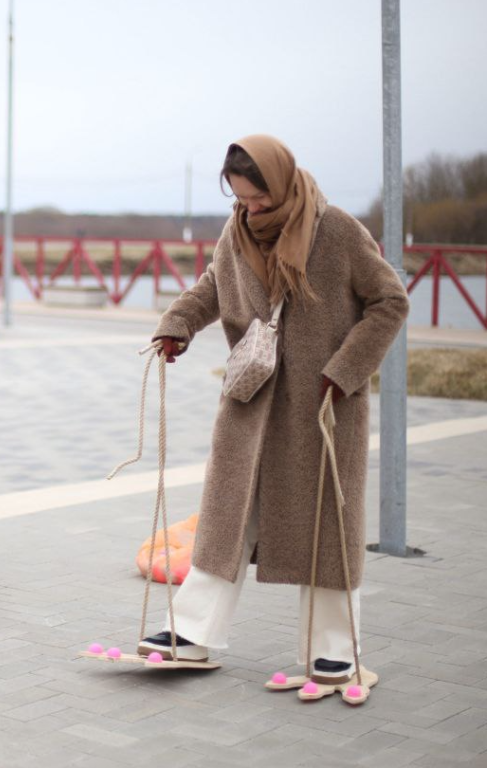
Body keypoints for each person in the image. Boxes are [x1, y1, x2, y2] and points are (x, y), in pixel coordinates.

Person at [137, 136, 409, 685]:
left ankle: (334, 649)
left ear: (281, 182)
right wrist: (178, 323)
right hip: (251, 402)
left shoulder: (337, 231)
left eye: (259, 199)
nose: (250, 209)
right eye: (240, 198)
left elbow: (390, 301)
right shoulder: (236, 232)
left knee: (327, 523)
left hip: (322, 404)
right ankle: (192, 633)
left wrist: (346, 369)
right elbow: (214, 286)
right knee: (227, 517)